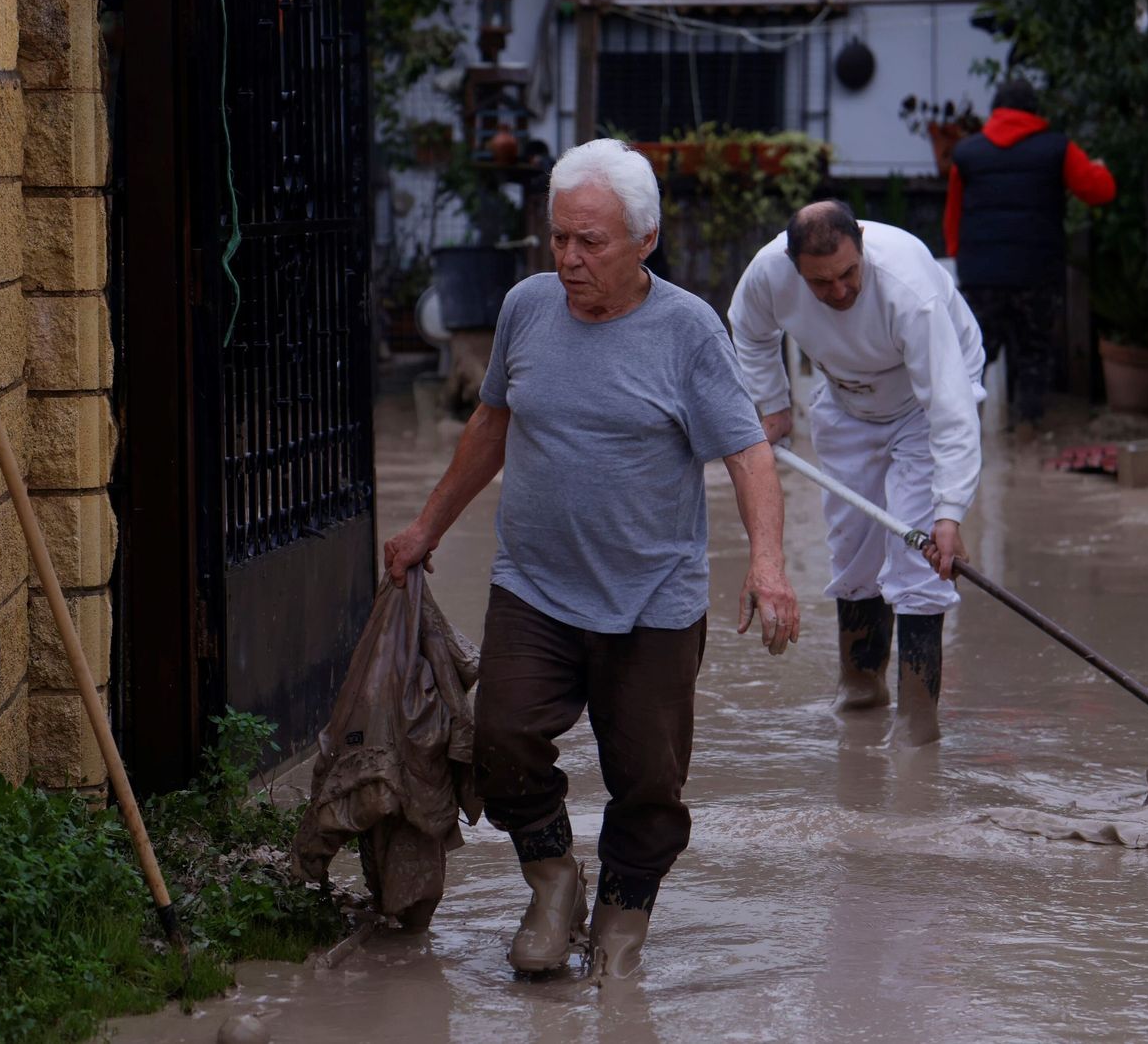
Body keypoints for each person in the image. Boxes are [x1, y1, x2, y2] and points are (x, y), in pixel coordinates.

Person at [384, 138, 799, 982]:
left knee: (648, 780)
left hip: (652, 599)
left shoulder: (688, 330)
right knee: (499, 741)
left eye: (590, 242)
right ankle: (552, 881)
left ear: (643, 240)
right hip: (534, 586)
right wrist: (428, 525)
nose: (568, 259)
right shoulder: (527, 307)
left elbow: (750, 453)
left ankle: (621, 920)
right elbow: (492, 424)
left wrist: (769, 565)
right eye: (559, 238)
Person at [728, 201, 984, 748]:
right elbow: (748, 331)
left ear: (861, 246)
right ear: (794, 267)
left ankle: (918, 721)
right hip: (845, 401)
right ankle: (861, 691)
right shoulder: (769, 272)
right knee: (852, 546)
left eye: (849, 274)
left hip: (924, 403)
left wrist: (949, 510)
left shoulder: (909, 288)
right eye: (822, 282)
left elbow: (951, 409)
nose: (840, 291)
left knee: (918, 559)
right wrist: (772, 403)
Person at [944, 76, 1116, 436]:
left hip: (981, 275)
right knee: (1034, 353)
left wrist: (962, 259)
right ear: (1035, 111)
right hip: (1037, 273)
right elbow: (1099, 191)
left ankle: (960, 434)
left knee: (973, 354)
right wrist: (1099, 168)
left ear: (995, 111)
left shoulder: (968, 153)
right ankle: (1028, 431)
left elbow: (952, 216)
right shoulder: (1057, 149)